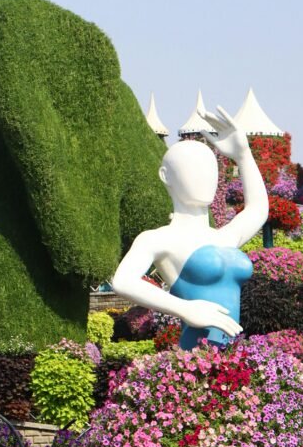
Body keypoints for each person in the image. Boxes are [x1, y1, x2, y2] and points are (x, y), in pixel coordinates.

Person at [111, 106, 268, 349]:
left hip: (234, 361)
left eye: (210, 170)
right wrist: (185, 309)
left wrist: (244, 156)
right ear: (166, 176)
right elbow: (122, 281)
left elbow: (258, 209)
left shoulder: (225, 236)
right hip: (194, 364)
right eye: (192, 170)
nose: (204, 177)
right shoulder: (159, 239)